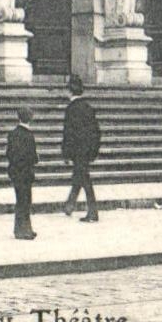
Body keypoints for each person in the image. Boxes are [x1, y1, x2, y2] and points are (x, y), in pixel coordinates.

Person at [62, 75, 100, 222]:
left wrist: (66, 153)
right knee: (79, 177)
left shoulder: (71, 109)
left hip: (77, 151)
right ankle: (69, 205)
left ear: (70, 91)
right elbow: (96, 131)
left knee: (84, 179)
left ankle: (93, 211)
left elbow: (68, 133)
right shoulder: (88, 107)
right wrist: (94, 150)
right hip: (87, 150)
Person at [6, 108, 38, 240]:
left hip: (15, 172)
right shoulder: (29, 135)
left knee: (20, 200)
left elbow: (9, 153)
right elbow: (33, 157)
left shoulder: (13, 134)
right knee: (26, 201)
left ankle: (20, 229)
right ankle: (25, 230)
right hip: (26, 172)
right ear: (30, 118)